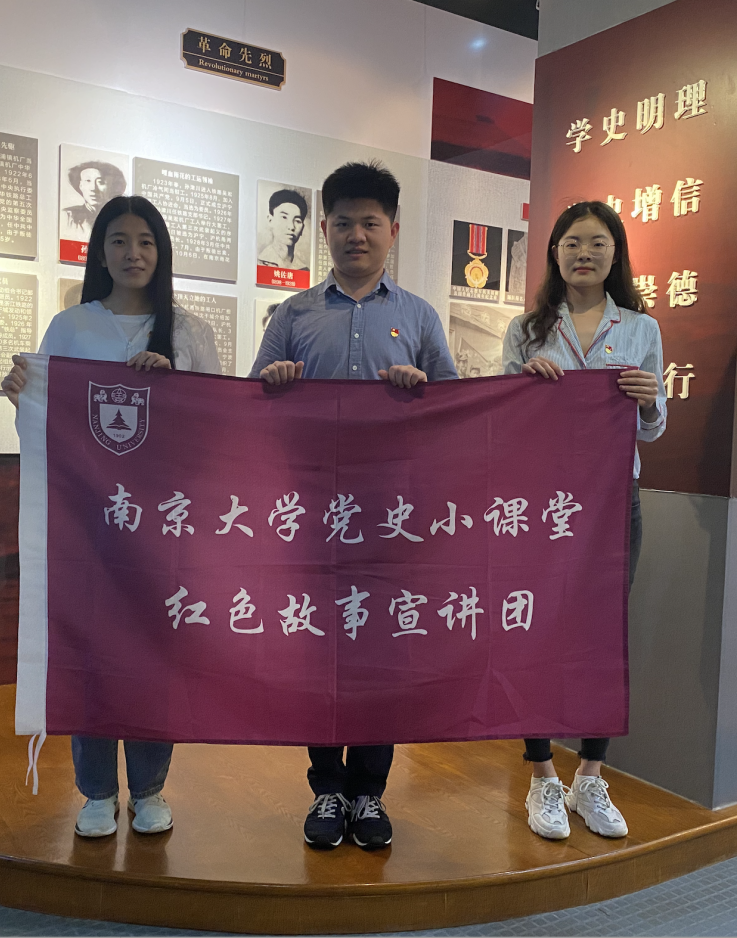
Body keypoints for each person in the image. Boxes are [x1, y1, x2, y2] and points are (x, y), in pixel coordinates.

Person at [251, 160, 458, 851]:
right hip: (313, 512)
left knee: (381, 653)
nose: (356, 235)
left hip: (391, 515)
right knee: (320, 652)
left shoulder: (418, 316)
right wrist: (275, 384)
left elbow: (454, 413)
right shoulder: (293, 314)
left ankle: (369, 791)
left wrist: (421, 391)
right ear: (325, 230)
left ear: (393, 230)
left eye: (370, 222)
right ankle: (327, 788)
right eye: (343, 222)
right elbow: (249, 407)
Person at [2, 195, 220, 838]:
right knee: (89, 651)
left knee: (154, 655)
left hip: (162, 526)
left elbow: (216, 429)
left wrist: (171, 386)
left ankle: (150, 788)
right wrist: (22, 399)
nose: (133, 253)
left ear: (162, 251)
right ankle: (95, 791)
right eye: (119, 240)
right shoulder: (72, 327)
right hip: (87, 524)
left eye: (146, 241)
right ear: (100, 251)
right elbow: (48, 424)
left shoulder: (189, 332)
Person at [501, 200, 665, 842]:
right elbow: (501, 419)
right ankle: (542, 775)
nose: (584, 254)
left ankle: (590, 776)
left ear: (615, 253)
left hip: (613, 501)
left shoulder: (641, 328)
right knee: (534, 630)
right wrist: (524, 387)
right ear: (555, 253)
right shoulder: (527, 329)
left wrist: (649, 402)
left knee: (604, 636)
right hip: (543, 503)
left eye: (597, 243)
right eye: (572, 243)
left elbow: (651, 428)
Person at [61, 161, 127, 241]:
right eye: (88, 181)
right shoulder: (68, 216)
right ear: (81, 185)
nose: (93, 188)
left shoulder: (120, 219)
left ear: (111, 187)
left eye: (101, 182)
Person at [257, 188, 309, 270]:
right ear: (270, 220)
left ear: (302, 228)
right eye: (284, 217)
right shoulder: (259, 263)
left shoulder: (304, 270)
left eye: (297, 221)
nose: (291, 227)